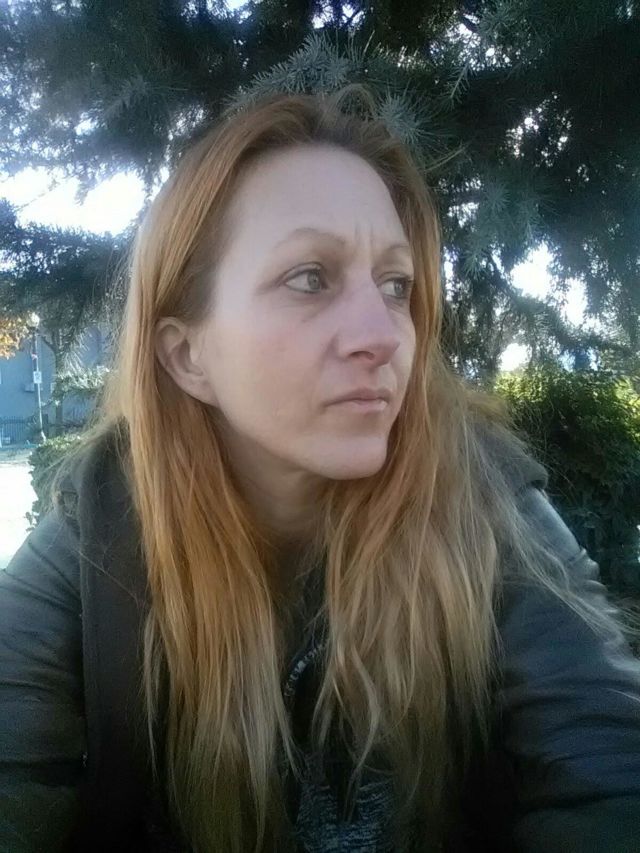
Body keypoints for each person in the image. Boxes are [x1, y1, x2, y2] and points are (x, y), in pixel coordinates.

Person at [1, 85, 639, 853]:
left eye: (396, 285)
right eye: (310, 277)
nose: (384, 335)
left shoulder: (481, 498)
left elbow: (607, 770)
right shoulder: (103, 533)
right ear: (187, 355)